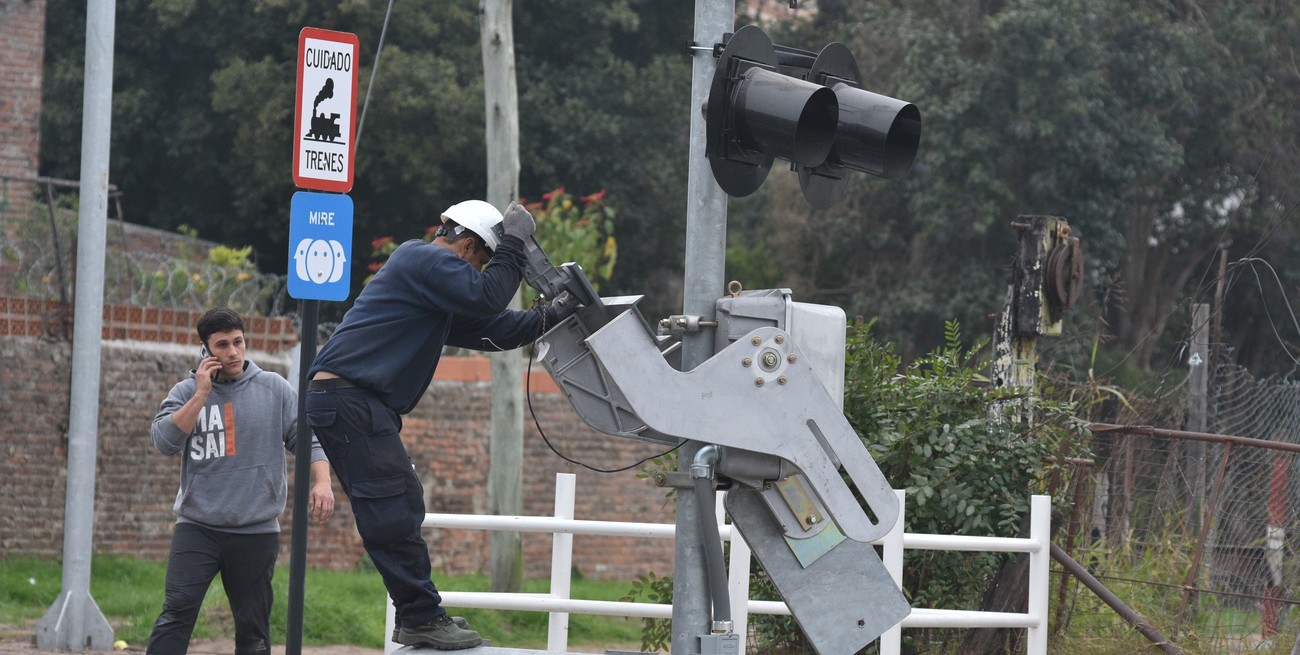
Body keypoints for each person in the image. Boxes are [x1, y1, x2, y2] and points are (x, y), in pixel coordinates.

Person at [306, 200, 561, 650]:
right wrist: (516, 242)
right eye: (481, 261)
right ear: (466, 246)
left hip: (353, 400)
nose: (479, 272)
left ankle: (418, 614)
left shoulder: (430, 289)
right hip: (350, 398)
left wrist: (549, 317)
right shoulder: (421, 257)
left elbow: (492, 327)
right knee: (391, 508)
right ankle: (422, 617)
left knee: (402, 500)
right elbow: (487, 297)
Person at [147, 307, 336, 655]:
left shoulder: (274, 389)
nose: (233, 352)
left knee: (253, 630)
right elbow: (163, 442)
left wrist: (323, 482)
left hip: (256, 531)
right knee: (176, 612)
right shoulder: (186, 391)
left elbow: (308, 439)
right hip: (197, 526)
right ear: (205, 351)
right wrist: (201, 395)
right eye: (222, 345)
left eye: (238, 342)